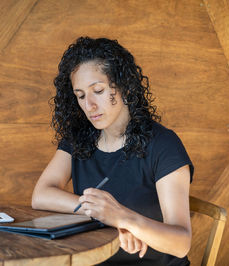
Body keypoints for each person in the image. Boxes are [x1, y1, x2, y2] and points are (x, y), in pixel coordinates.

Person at [32, 36, 194, 266]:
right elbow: (41, 195)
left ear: (124, 86)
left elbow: (181, 244)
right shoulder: (79, 138)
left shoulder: (163, 144)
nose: (89, 106)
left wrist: (124, 218)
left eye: (97, 90)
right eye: (80, 96)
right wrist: (102, 215)